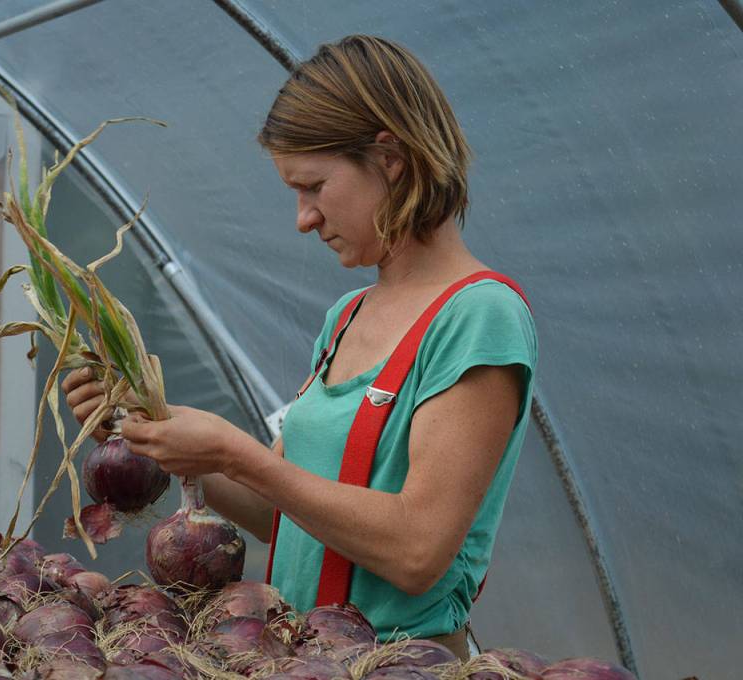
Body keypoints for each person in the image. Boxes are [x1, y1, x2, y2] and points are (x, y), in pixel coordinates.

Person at [61, 35, 537, 660]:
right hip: (300, 659)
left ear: (389, 157)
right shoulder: (347, 316)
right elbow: (281, 518)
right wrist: (159, 436)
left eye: (313, 185)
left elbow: (417, 551)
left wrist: (235, 454)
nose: (303, 218)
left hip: (399, 666)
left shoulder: (480, 315)